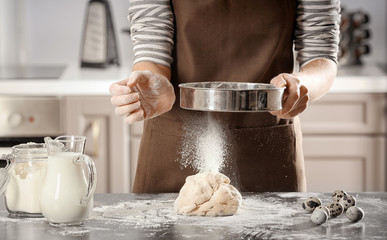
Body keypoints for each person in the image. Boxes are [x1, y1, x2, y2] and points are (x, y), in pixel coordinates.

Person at [110, 0, 341, 193]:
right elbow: (152, 42)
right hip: (172, 144)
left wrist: (303, 85)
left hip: (268, 148)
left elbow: (321, 55)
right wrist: (152, 83)